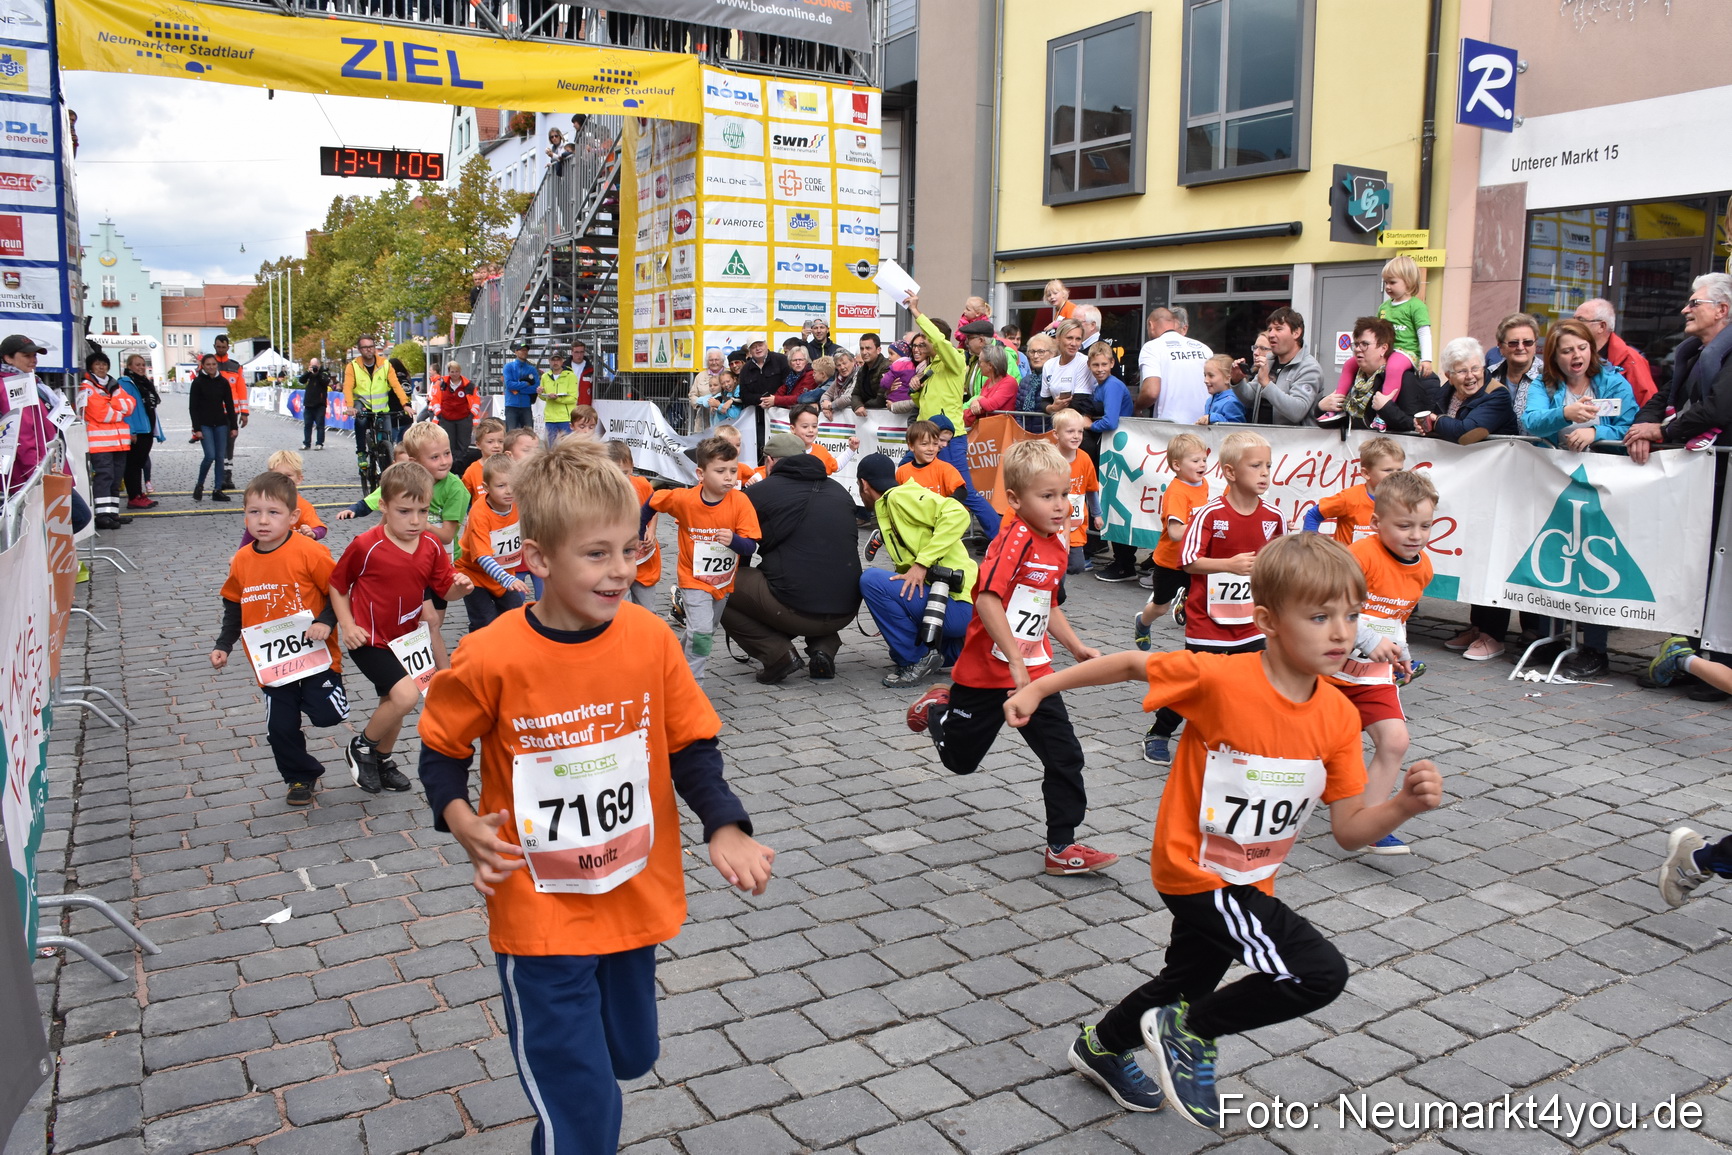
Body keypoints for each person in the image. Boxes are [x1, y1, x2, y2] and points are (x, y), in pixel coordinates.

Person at [414, 438, 774, 1155]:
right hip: (537, 907)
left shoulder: (648, 638)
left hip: (629, 892)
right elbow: (441, 750)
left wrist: (724, 824)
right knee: (580, 1105)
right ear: (539, 559)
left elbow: (690, 744)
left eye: (630, 550)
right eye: (597, 554)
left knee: (630, 1054)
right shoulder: (491, 654)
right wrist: (459, 819)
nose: (621, 571)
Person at [1009, 534, 1442, 1127]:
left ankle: (1101, 1046)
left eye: (1349, 615)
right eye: (1319, 616)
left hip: (1250, 877)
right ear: (1267, 620)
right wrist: (1037, 685)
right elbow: (1135, 664)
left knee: (1185, 980)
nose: (1341, 633)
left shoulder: (1339, 715)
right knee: (1315, 973)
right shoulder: (1223, 680)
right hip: (1194, 872)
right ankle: (1187, 1032)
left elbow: (1349, 830)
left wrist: (1402, 808)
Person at [905, 438, 1115, 877]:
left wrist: (1074, 647)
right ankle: (941, 710)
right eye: (1047, 496)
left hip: (1035, 675)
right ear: (1016, 500)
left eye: (1064, 495)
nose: (1060, 507)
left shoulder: (1057, 542)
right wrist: (1013, 662)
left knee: (1065, 756)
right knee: (961, 764)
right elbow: (987, 601)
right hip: (986, 674)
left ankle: (1062, 846)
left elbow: (1046, 604)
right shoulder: (1014, 538)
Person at [329, 461, 473, 794]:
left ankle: (382, 759)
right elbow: (337, 585)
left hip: (406, 639)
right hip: (369, 638)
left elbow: (443, 589)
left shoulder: (432, 546)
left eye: (423, 512)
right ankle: (362, 747)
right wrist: (347, 625)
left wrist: (460, 587)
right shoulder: (367, 545)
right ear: (383, 506)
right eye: (404, 511)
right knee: (406, 695)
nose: (415, 521)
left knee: (392, 702)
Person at [1143, 431, 1283, 765]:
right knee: (1198, 684)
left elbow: (1280, 565)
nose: (1265, 473)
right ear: (1231, 472)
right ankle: (1159, 731)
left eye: (1268, 465)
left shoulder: (1274, 517)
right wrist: (1229, 566)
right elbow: (1188, 561)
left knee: (1256, 683)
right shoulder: (1209, 514)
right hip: (1207, 622)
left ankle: (1242, 739)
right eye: (1256, 466)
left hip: (1251, 624)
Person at [210, 470, 349, 806]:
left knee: (328, 715)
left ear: (293, 516)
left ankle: (317, 699)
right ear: (244, 515)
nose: (262, 521)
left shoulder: (310, 552)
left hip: (316, 656)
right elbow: (234, 605)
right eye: (254, 512)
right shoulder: (242, 560)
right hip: (273, 664)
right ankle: (300, 777)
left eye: (273, 513)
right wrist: (223, 644)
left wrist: (326, 622)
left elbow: (339, 590)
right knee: (280, 729)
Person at [1332, 470, 1438, 855]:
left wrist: (1401, 652)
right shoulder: (1358, 556)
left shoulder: (1423, 567)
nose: (1416, 535)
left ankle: (1370, 821)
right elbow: (1335, 607)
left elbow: (1396, 617)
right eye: (1405, 525)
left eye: (1425, 525)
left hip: (1373, 674)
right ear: (1375, 523)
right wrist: (1368, 638)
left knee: (1395, 741)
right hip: (1327, 671)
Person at [722, 431, 863, 683]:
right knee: (813, 576)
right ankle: (824, 647)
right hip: (846, 609)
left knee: (721, 586)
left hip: (794, 606)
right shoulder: (840, 491)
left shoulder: (758, 493)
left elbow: (739, 551)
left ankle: (777, 654)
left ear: (771, 461)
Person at [645, 436, 761, 681]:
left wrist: (734, 541)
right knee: (702, 632)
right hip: (692, 577)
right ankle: (691, 684)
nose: (729, 477)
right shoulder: (684, 499)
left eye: (733, 470)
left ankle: (671, 659)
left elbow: (750, 547)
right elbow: (653, 501)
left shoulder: (741, 502)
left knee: (703, 629)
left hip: (722, 582)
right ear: (700, 473)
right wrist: (637, 530)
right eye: (720, 471)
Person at [856, 453, 976, 687]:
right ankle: (956, 651)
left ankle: (917, 660)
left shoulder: (900, 496)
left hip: (959, 602)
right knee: (898, 647)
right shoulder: (892, 504)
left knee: (871, 580)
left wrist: (922, 564)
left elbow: (957, 513)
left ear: (864, 484)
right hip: (961, 606)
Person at [906, 294, 1002, 540]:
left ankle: (1000, 536)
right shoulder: (931, 367)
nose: (922, 344)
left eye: (925, 339)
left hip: (949, 439)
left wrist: (916, 312)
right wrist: (916, 391)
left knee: (964, 491)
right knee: (906, 476)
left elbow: (939, 339)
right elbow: (925, 403)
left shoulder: (955, 359)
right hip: (926, 437)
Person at [1626, 273, 1732, 464]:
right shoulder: (1697, 355)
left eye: (1695, 303)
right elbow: (1661, 398)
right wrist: (1642, 428)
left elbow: (1717, 409)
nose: (1685, 310)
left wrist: (1662, 430)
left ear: (1721, 310)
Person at [1132, 433, 1211, 649]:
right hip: (1170, 562)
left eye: (1204, 459)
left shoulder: (1202, 483)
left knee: (1203, 602)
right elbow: (1175, 533)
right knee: (1160, 607)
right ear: (1177, 465)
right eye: (1195, 461)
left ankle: (1198, 645)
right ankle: (1142, 622)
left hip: (1193, 558)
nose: (1202, 464)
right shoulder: (1176, 492)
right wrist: (1205, 526)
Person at [1525, 318, 1637, 452]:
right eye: (1567, 351)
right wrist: (1565, 414)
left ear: (1591, 349)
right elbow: (1532, 422)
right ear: (1554, 356)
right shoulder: (1543, 383)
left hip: (1603, 468)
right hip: (1553, 468)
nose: (1577, 355)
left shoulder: (1615, 383)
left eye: (1582, 348)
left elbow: (1629, 430)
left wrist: (1595, 433)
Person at [457, 453, 532, 632]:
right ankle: (478, 654)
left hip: (504, 571)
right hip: (474, 574)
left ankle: (506, 653)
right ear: (486, 487)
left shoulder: (520, 504)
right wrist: (505, 578)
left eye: (514, 484)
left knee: (515, 615)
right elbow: (482, 556)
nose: (509, 491)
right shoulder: (480, 514)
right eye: (501, 486)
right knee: (484, 620)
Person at [1302, 436, 1404, 544]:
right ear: (1366, 473)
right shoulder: (1349, 498)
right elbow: (1313, 515)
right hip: (1348, 560)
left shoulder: (1403, 501)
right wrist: (1310, 546)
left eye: (1399, 470)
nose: (1396, 475)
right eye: (1388, 470)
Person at [1234, 307, 1324, 424]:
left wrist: (1267, 384)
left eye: (1278, 329)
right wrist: (1237, 381)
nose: (1271, 334)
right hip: (1263, 439)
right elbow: (1249, 398)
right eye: (1270, 329)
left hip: (1293, 441)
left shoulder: (1309, 368)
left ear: (1296, 332)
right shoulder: (1270, 360)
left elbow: (1297, 412)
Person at [78, 351, 137, 529]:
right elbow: (99, 413)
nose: (101, 367)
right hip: (100, 442)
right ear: (91, 367)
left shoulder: (114, 385)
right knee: (104, 477)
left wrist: (114, 408)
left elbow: (130, 405)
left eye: (104, 364)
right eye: (97, 364)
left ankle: (113, 513)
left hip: (119, 442)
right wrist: (118, 410)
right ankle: (102, 514)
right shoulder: (87, 387)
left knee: (116, 478)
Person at [342, 336, 410, 473]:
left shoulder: (385, 364)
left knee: (387, 440)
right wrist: (350, 406)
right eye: (366, 347)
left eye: (371, 346)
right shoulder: (353, 366)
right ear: (360, 350)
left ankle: (387, 466)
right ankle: (361, 453)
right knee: (360, 421)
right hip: (362, 402)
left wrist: (405, 404)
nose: (369, 350)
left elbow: (396, 385)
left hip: (381, 406)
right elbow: (348, 387)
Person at [606, 440, 661, 608]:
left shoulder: (642, 484)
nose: (620, 479)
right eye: (614, 473)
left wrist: (651, 531)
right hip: (616, 562)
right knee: (623, 609)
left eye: (625, 473)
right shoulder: (599, 491)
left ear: (632, 466)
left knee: (647, 611)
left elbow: (654, 507)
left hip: (643, 558)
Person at [1575, 298, 1656, 406]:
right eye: (1573, 319)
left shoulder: (1630, 360)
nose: (1572, 324)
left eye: (1580, 320)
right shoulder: (1571, 355)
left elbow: (1648, 405)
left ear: (1601, 326)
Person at [1137, 307, 1212, 423]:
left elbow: (1151, 392)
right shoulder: (1204, 348)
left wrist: (1137, 408)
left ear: (1151, 325)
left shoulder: (1152, 347)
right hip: (1204, 423)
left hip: (1170, 427)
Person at [1052, 410, 1101, 574]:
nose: (1076, 436)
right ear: (1056, 434)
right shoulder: (1049, 458)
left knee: (1076, 566)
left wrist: (1098, 514)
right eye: (1070, 431)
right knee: (1055, 563)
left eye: (1080, 431)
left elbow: (1092, 489)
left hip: (1075, 524)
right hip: (1051, 523)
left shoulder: (1085, 459)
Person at [242, 450, 326, 546]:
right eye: (277, 475)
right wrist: (239, 557)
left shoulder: (302, 505)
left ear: (299, 479)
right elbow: (250, 532)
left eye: (288, 475)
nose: (282, 480)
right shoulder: (261, 502)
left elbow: (320, 528)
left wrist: (312, 532)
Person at [189, 353, 237, 504]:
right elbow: (193, 408)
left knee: (219, 458)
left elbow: (229, 405)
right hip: (205, 424)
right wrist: (196, 428)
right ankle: (200, 484)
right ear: (203, 365)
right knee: (209, 455)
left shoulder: (223, 382)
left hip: (221, 424)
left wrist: (234, 426)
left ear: (217, 365)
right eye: (208, 364)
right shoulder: (197, 382)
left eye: (213, 364)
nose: (211, 367)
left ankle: (217, 489)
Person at [118, 353, 162, 510]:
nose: (141, 367)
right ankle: (133, 496)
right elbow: (124, 408)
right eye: (137, 365)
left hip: (147, 428)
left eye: (143, 365)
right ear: (129, 366)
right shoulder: (125, 383)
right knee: (133, 464)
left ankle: (138, 493)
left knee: (140, 462)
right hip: (137, 430)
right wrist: (131, 430)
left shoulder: (144, 382)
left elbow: (150, 407)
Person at [1377, 255, 1433, 376]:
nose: (1387, 286)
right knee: (1352, 363)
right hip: (1386, 351)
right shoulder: (1383, 307)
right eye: (1385, 282)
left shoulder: (1417, 306)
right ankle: (1339, 394)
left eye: (1392, 282)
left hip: (1407, 353)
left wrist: (1426, 359)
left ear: (1408, 282)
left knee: (1394, 366)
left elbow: (1424, 334)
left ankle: (1387, 395)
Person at [1487, 313, 1544, 433]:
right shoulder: (1487, 375)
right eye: (1513, 343)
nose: (1520, 347)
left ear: (1535, 345)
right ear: (1500, 346)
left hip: (1536, 449)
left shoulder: (1549, 376)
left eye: (1527, 342)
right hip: (1494, 450)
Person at [896, 420, 967, 496]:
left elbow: (961, 490)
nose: (931, 449)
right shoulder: (902, 472)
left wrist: (949, 503)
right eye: (924, 444)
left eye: (935, 444)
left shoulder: (945, 469)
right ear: (911, 446)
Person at [212, 335, 247, 477]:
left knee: (229, 444)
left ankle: (228, 473)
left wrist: (244, 412)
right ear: (214, 346)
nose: (221, 349)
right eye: (218, 347)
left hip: (232, 413)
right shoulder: (209, 364)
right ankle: (220, 473)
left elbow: (241, 390)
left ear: (228, 347)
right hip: (213, 413)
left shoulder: (235, 366)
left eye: (223, 347)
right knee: (217, 445)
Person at [1041, 319, 1093, 415]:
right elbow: (1044, 401)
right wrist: (1052, 408)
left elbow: (1079, 403)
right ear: (1058, 338)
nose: (1074, 343)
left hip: (1078, 422)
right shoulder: (1049, 365)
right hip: (1058, 422)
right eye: (1069, 338)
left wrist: (1057, 409)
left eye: (1078, 339)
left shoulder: (1084, 362)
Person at [963, 344, 1018, 428]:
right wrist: (975, 401)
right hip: (988, 428)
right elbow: (981, 405)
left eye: (980, 362)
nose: (978, 365)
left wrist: (978, 399)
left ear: (990, 365)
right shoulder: (988, 381)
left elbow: (990, 405)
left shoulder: (1009, 382)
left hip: (1002, 430)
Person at [435, 360, 477, 456]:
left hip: (464, 419)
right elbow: (435, 399)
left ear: (460, 371)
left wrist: (471, 415)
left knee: (464, 444)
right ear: (449, 372)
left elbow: (476, 401)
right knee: (448, 444)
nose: (454, 374)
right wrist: (439, 414)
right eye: (452, 372)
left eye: (456, 371)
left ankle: (462, 466)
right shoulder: (442, 384)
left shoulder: (468, 385)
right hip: (446, 419)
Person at [461, 419, 509, 502]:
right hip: (481, 514)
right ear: (478, 445)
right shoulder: (472, 470)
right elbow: (461, 497)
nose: (496, 445)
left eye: (500, 441)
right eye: (490, 442)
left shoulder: (510, 466)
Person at [540, 351, 579, 447]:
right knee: (551, 447)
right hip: (550, 418)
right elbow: (544, 397)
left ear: (562, 361)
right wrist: (540, 393)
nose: (555, 362)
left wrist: (557, 399)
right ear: (549, 361)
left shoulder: (571, 376)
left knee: (568, 446)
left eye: (558, 360)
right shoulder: (545, 376)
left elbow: (573, 398)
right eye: (553, 360)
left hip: (565, 418)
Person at [1017, 334, 1055, 433]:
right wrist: (1022, 432)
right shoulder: (1025, 381)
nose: (1035, 356)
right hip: (1026, 436)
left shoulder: (1056, 379)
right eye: (1032, 352)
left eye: (1041, 352)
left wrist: (1046, 436)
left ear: (1052, 354)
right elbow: (1018, 412)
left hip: (1049, 437)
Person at [502, 341, 540, 432]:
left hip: (526, 405)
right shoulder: (508, 367)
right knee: (511, 433)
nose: (524, 352)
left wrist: (518, 390)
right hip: (511, 405)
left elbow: (535, 387)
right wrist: (526, 384)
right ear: (516, 352)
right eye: (521, 350)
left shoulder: (532, 369)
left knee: (529, 432)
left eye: (526, 350)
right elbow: (509, 385)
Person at [1197, 354, 1246, 426]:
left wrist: (1212, 418)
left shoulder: (1231, 402)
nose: (1205, 380)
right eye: (1205, 375)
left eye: (1211, 376)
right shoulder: (1209, 401)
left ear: (1227, 379)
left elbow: (1236, 428)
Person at [688, 349, 727, 433]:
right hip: (703, 421)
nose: (714, 362)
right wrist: (701, 402)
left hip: (725, 420)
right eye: (711, 360)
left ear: (722, 361)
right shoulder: (700, 376)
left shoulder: (729, 374)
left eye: (716, 359)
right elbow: (692, 395)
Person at [848, 334, 889, 411]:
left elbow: (881, 399)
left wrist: (863, 405)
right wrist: (858, 406)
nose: (864, 352)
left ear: (878, 350)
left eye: (868, 348)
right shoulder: (862, 370)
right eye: (862, 348)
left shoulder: (887, 367)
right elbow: (855, 394)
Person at [298, 357, 332, 450]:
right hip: (308, 404)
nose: (314, 367)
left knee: (320, 425)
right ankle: (306, 443)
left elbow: (325, 382)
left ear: (319, 365)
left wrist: (317, 373)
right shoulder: (309, 373)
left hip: (320, 404)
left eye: (315, 365)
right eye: (311, 365)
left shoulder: (324, 373)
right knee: (307, 425)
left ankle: (319, 443)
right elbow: (301, 380)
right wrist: (309, 372)